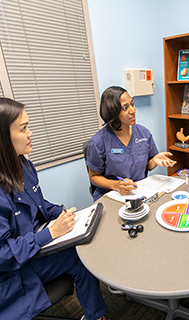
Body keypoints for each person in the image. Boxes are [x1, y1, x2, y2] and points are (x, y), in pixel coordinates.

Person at [0, 98, 107, 320]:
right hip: (12, 273)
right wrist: (48, 234)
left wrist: (62, 213)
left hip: (32, 250)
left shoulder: (23, 164)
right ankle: (96, 316)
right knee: (78, 256)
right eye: (23, 128)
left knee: (82, 241)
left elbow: (38, 204)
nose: (31, 133)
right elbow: (2, 254)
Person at [86, 86, 176, 201]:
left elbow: (147, 166)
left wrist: (154, 160)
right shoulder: (98, 141)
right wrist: (116, 185)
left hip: (139, 192)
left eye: (132, 104)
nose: (133, 110)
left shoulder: (143, 133)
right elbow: (94, 176)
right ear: (112, 112)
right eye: (125, 108)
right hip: (111, 195)